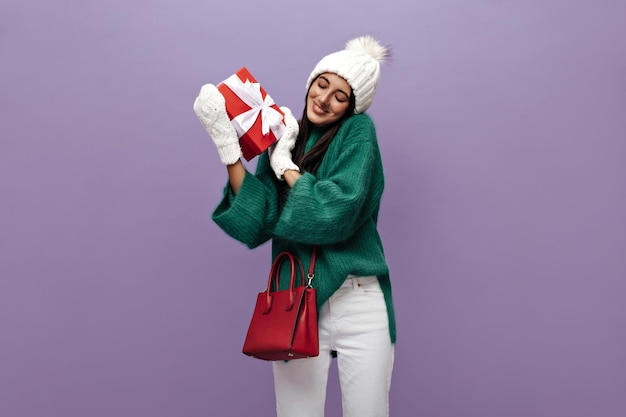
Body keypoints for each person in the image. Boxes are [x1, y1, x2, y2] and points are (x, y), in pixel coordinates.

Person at [193, 35, 396, 417]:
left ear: (352, 106)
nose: (324, 99)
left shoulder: (358, 134)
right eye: (322, 84)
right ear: (311, 81)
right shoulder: (286, 136)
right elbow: (258, 221)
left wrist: (286, 167)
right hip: (294, 304)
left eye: (340, 95)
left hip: (359, 299)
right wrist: (228, 147)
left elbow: (336, 214)